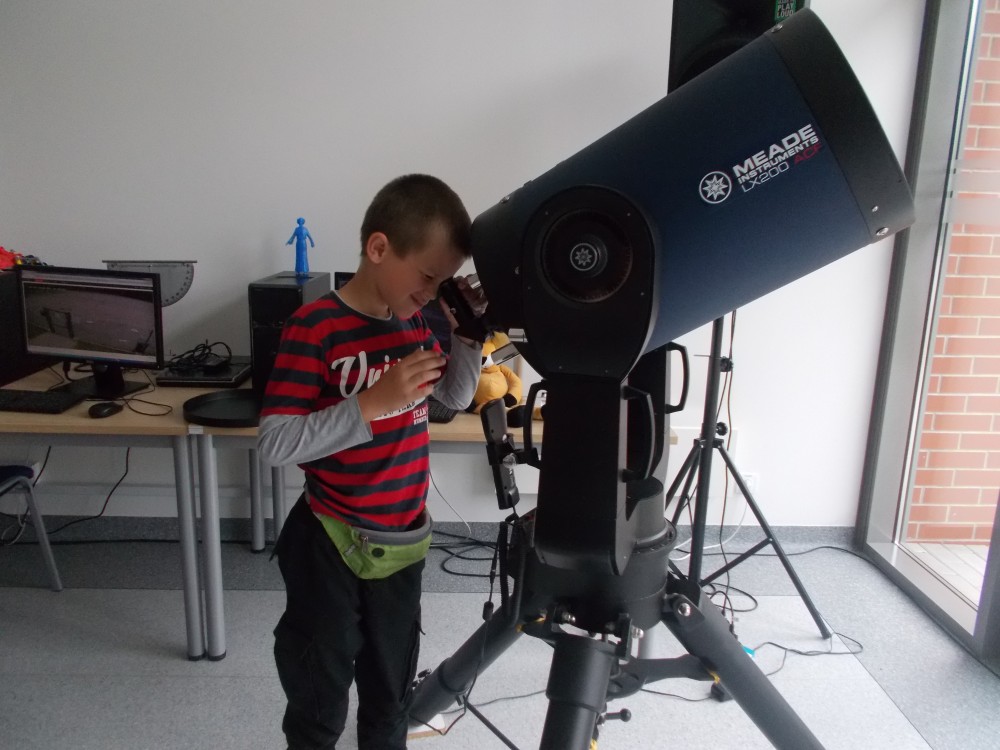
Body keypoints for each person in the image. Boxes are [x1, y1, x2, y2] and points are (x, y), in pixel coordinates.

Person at [259, 174, 485, 749]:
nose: (432, 293)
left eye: (443, 282)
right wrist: (370, 404)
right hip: (329, 542)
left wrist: (467, 339)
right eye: (427, 276)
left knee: (390, 695)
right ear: (379, 248)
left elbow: (453, 398)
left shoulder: (415, 322)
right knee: (319, 690)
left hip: (401, 542)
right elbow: (276, 443)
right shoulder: (315, 327)